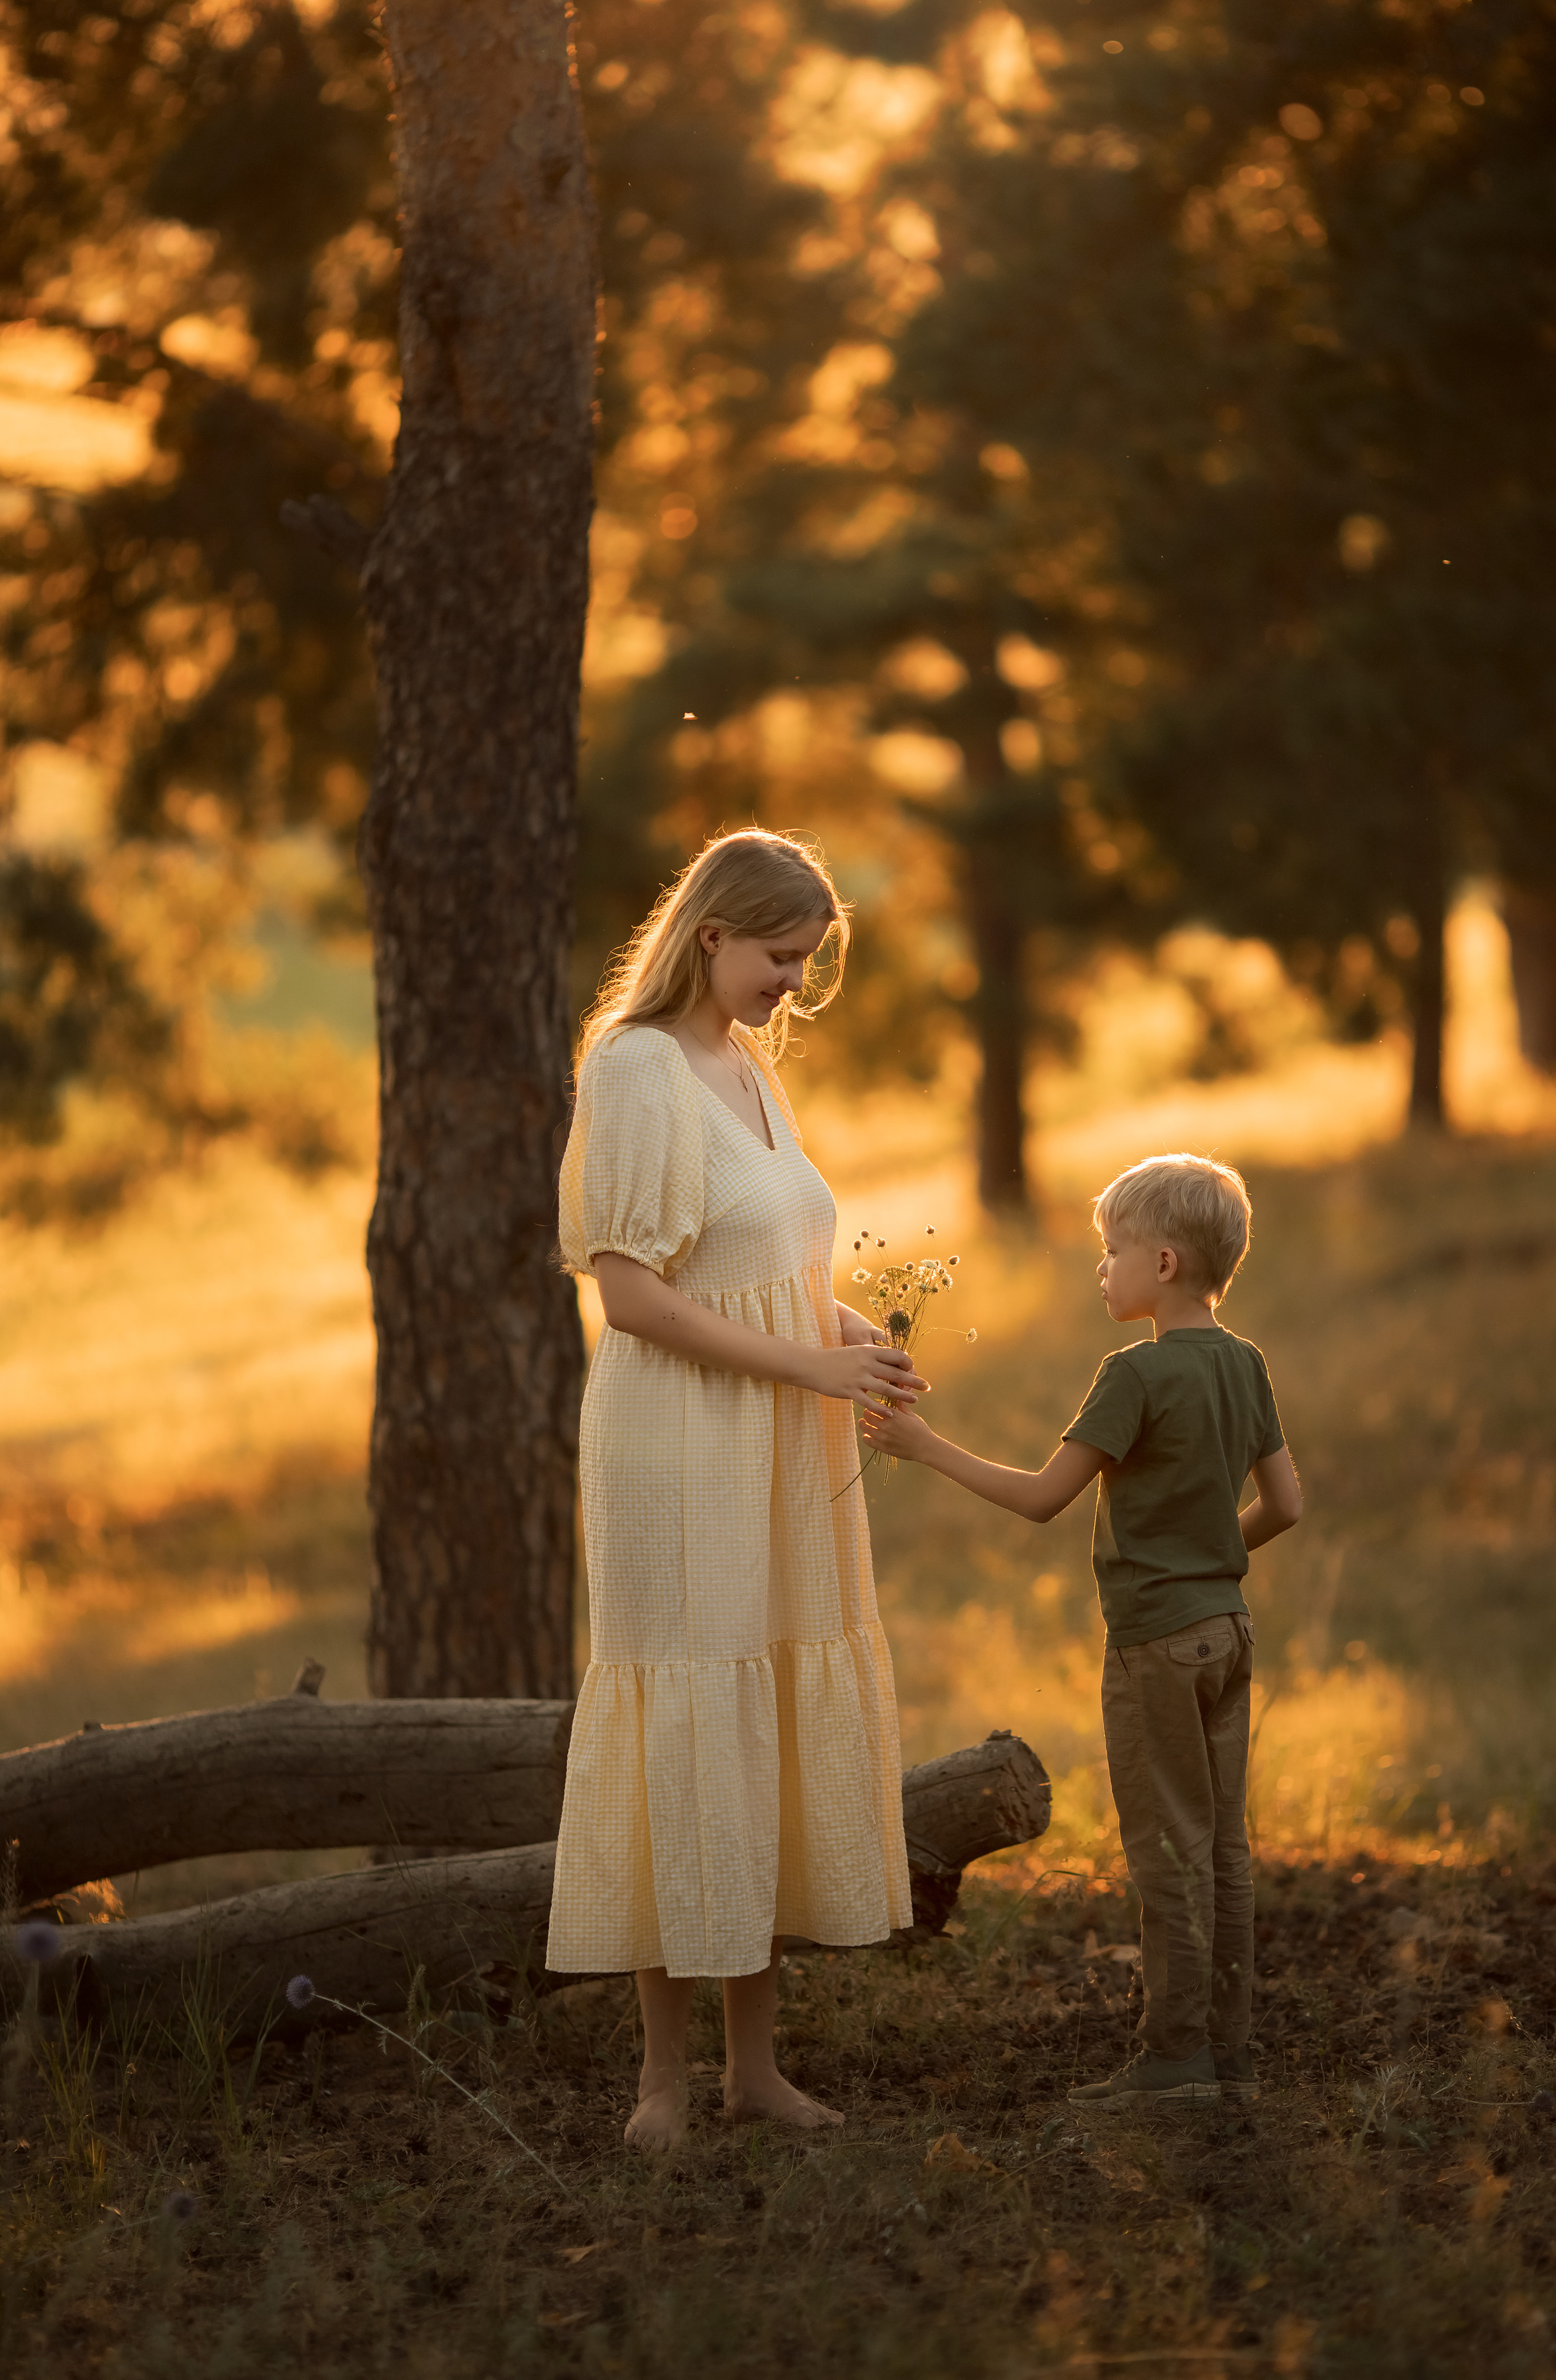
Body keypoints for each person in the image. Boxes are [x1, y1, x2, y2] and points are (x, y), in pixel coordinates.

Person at [547, 828, 920, 2149]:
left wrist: (849, 1335)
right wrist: (807, 1364)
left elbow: (767, 1264)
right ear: (710, 934)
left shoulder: (749, 1065)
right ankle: (660, 2079)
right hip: (677, 1445)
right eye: (780, 956)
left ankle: (752, 2070)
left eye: (807, 962)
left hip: (775, 1436)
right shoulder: (635, 1065)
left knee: (757, 1721)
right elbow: (634, 1296)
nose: (793, 984)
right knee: (686, 1721)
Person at [861, 1152, 1302, 2112]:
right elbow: (1288, 1505)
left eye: (1113, 1251)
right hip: (1228, 1631)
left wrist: (925, 1446)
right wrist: (1210, 1558)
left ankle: (1175, 2061)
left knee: (1169, 1851)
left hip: (1156, 1644)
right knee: (1223, 1847)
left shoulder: (1133, 1374)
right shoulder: (1246, 1364)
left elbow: (1040, 1499)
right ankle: (1229, 2053)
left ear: (1165, 1264)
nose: (1102, 1268)